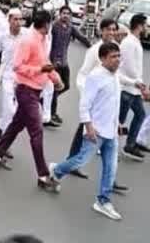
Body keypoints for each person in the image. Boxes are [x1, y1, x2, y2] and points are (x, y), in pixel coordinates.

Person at [0, 10, 63, 190]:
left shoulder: (42, 39)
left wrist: (55, 78)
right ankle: (43, 175)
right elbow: (17, 66)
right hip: (25, 90)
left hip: (35, 90)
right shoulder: (29, 40)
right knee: (36, 133)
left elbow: (44, 63)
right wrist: (40, 70)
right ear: (46, 24)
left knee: (16, 125)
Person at [49, 42, 123, 221]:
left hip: (111, 132)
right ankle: (56, 170)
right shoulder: (95, 76)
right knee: (79, 160)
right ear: (103, 58)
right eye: (113, 57)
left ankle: (103, 201)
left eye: (119, 56)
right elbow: (84, 105)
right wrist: (88, 126)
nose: (117, 60)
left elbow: (113, 102)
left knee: (110, 168)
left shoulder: (115, 76)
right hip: (95, 130)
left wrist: (118, 122)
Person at [65, 19, 118, 179]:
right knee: (85, 129)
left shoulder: (115, 48)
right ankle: (69, 164)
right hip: (94, 98)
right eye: (108, 30)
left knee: (85, 131)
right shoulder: (95, 51)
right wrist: (87, 95)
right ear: (101, 31)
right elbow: (82, 74)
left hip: (107, 98)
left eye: (114, 30)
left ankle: (74, 162)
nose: (111, 33)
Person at [48, 6, 91, 126]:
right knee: (54, 88)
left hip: (64, 62)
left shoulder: (71, 27)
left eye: (68, 14)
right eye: (63, 13)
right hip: (53, 63)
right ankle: (51, 114)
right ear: (59, 14)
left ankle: (47, 100)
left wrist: (93, 47)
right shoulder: (54, 26)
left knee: (66, 86)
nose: (65, 15)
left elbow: (81, 38)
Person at [0, 9, 24, 137]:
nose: (18, 22)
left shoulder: (26, 35)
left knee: (18, 111)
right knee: (9, 109)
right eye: (15, 19)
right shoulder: (2, 36)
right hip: (7, 76)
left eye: (20, 19)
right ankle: (4, 140)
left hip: (22, 77)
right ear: (9, 20)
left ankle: (0, 124)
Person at [117, 14, 148, 161]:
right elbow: (129, 66)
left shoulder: (135, 41)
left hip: (134, 88)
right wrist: (141, 84)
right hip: (126, 87)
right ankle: (103, 145)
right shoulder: (129, 42)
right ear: (139, 26)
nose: (146, 28)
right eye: (145, 25)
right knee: (119, 120)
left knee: (140, 114)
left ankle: (130, 144)